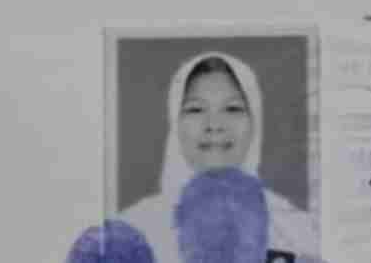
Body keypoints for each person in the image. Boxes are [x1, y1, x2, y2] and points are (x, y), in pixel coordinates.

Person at [119, 51, 319, 263]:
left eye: (232, 109)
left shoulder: (299, 232)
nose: (214, 124)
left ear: (255, 121)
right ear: (174, 122)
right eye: (196, 109)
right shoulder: (132, 232)